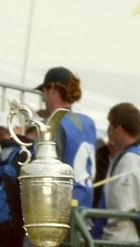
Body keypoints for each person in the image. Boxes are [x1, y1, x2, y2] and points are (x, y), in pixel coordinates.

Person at [95, 102, 140, 243]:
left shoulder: (131, 159)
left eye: (110, 127)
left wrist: (106, 240)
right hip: (136, 238)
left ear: (119, 128)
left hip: (121, 243)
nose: (109, 133)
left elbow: (122, 208)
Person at [35, 66, 96, 211]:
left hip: (57, 214)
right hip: (83, 213)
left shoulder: (51, 125)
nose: (43, 98)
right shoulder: (88, 123)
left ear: (52, 89)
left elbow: (41, 174)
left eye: (43, 92)